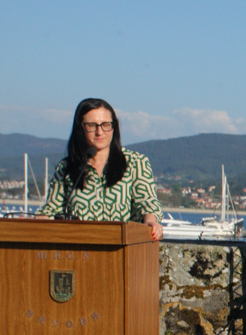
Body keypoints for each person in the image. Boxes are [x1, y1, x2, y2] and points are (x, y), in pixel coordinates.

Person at [38, 98, 163, 238]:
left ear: (114, 127)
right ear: (80, 128)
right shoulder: (65, 167)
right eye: (92, 125)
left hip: (122, 246)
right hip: (79, 246)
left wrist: (150, 222)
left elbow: (147, 203)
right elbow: (51, 210)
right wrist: (36, 221)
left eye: (106, 125)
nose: (99, 132)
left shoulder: (135, 162)